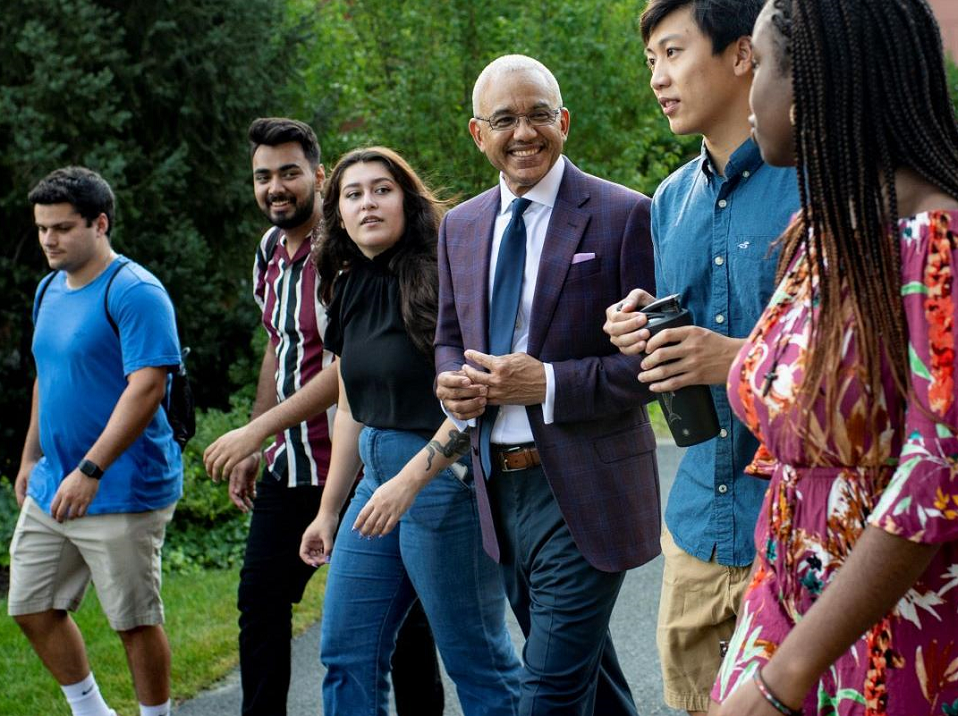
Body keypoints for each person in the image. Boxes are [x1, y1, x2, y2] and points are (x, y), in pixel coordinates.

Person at [709, 0, 958, 713]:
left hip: (888, 643)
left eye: (755, 66)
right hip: (784, 614)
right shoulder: (821, 233)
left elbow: (936, 477)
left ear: (814, 84)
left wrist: (786, 677)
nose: (744, 91)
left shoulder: (937, 240)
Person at [434, 54, 657, 716]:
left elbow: (650, 366)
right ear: (479, 134)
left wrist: (549, 382)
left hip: (586, 489)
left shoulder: (624, 215)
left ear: (564, 122)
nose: (523, 133)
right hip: (499, 489)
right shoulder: (461, 227)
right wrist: (452, 382)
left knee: (549, 691)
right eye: (504, 119)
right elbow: (449, 334)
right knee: (590, 679)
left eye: (538, 116)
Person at [203, 118, 443, 715]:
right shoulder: (268, 252)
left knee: (408, 629)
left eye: (289, 173)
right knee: (262, 602)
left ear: (319, 175)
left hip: (364, 461)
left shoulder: (345, 256)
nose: (275, 187)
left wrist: (260, 426)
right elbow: (277, 345)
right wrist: (261, 438)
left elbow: (349, 370)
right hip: (295, 463)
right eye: (263, 177)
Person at [602, 1, 798, 712]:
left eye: (674, 52)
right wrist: (634, 326)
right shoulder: (669, 199)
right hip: (692, 525)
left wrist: (732, 358)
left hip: (789, 526)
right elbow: (678, 329)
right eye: (651, 60)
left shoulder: (818, 184)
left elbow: (858, 360)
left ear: (743, 55)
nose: (658, 77)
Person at [297, 146, 522, 716]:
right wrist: (328, 511)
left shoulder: (442, 279)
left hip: (443, 482)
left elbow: (476, 402)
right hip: (375, 482)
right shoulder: (344, 287)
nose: (367, 202)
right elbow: (351, 408)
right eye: (353, 194)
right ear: (337, 212)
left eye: (382, 189)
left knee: (476, 658)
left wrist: (412, 479)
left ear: (407, 201)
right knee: (345, 650)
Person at [9, 166, 183, 716]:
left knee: (134, 621)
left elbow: (148, 387)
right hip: (53, 480)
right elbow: (47, 373)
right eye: (41, 229)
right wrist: (31, 455)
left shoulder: (134, 291)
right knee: (30, 606)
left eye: (61, 228)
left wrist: (90, 470)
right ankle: (92, 712)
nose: (48, 240)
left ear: (100, 223)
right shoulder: (48, 287)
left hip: (121, 487)